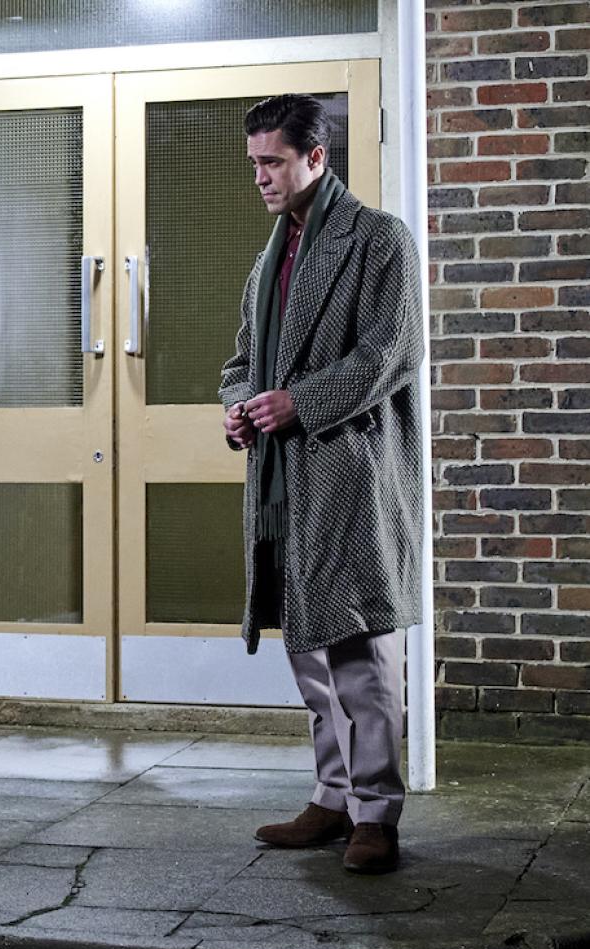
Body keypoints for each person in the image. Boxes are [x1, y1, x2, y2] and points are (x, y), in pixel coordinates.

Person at [219, 95, 424, 876]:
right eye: (255, 164)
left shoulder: (379, 242)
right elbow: (242, 363)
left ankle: (377, 812)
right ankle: (332, 795)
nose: (262, 177)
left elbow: (389, 355)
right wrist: (238, 408)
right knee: (308, 648)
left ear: (317, 157)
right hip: (283, 480)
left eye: (273, 161)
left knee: (361, 650)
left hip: (348, 473)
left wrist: (300, 402)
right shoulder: (270, 260)